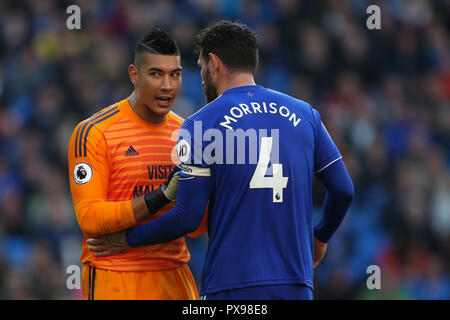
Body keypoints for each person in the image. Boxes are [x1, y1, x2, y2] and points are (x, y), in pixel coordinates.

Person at [88, 21, 354, 300]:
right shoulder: (306, 115)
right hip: (296, 285)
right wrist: (321, 237)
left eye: (202, 66)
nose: (201, 78)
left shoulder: (200, 124)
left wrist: (128, 239)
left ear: (213, 64)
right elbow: (343, 190)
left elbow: (186, 217)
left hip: (232, 287)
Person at [67, 29, 205, 300]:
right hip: (116, 276)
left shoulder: (188, 134)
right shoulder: (93, 132)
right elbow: (90, 219)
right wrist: (160, 197)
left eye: (174, 74)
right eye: (156, 74)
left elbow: (198, 224)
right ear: (134, 75)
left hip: (174, 276)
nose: (167, 85)